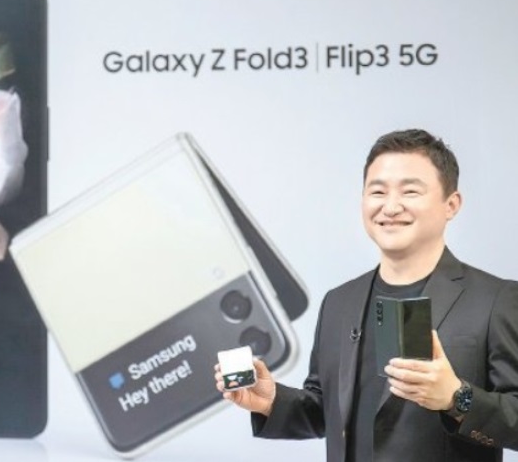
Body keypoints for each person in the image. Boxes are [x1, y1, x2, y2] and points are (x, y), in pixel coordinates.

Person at [214, 129, 518, 461]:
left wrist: (456, 398)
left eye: (410, 191)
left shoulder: (495, 300)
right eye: (377, 191)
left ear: (451, 204)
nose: (391, 206)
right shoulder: (339, 302)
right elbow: (326, 410)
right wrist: (272, 401)